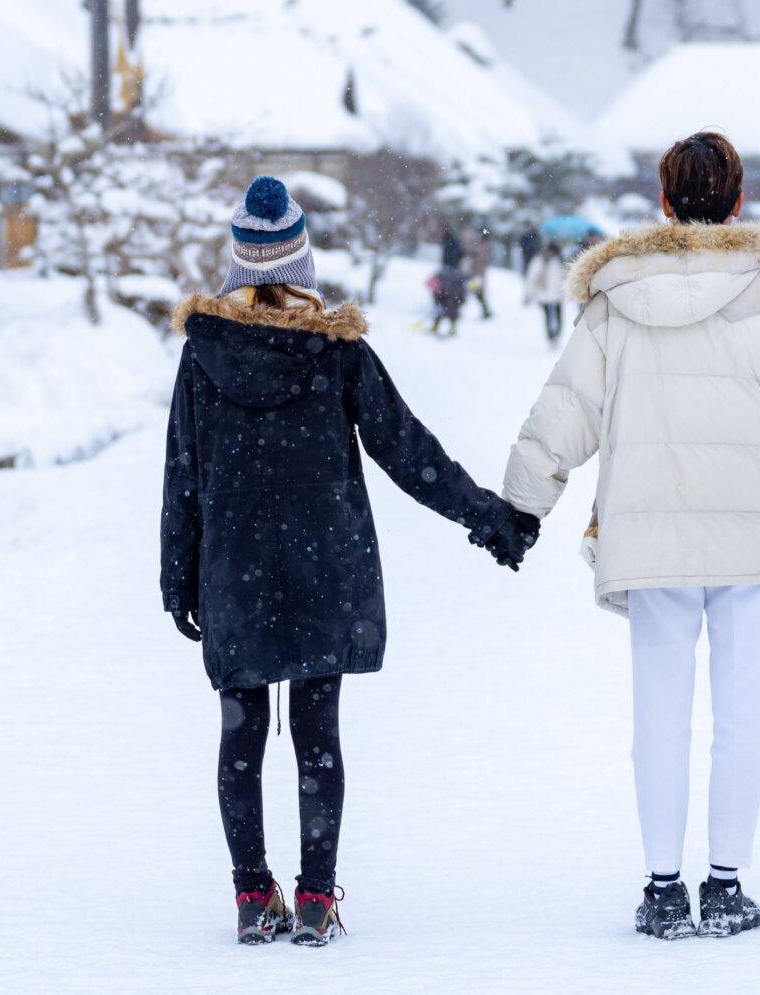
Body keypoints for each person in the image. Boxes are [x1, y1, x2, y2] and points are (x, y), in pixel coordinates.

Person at [499, 131, 760, 942]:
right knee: (743, 714)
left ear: (663, 203)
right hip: (751, 536)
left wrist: (522, 506)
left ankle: (664, 888)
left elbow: (565, 412)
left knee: (659, 715)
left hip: (650, 535)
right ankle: (726, 884)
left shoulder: (614, 296)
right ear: (739, 202)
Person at [163, 176, 540, 947]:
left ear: (239, 261)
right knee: (317, 733)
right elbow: (409, 452)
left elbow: (183, 473)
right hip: (321, 569)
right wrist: (488, 517)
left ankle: (248, 895)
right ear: (299, 260)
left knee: (240, 730)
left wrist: (179, 576)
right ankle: (311, 896)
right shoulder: (337, 351)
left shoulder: (204, 354)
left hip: (234, 568)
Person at [523, 238, 566, 345]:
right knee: (554, 316)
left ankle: (553, 336)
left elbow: (531, 277)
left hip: (549, 293)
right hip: (549, 293)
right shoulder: (550, 260)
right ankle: (553, 336)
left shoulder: (551, 260)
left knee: (551, 316)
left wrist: (529, 293)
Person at [466, 225, 495, 319]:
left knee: (476, 292)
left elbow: (480, 260)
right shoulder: (479, 245)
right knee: (476, 293)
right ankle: (486, 311)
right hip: (476, 273)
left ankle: (486, 311)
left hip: (478, 274)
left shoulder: (483, 246)